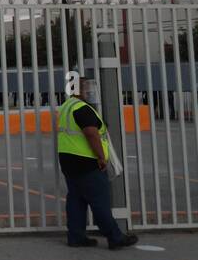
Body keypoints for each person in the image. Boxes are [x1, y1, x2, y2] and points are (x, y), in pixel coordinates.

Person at [57, 78, 138, 249]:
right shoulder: (82, 108)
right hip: (86, 161)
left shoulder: (66, 106)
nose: (90, 91)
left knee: (76, 199)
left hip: (68, 160)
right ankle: (114, 237)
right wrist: (101, 157)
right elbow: (91, 133)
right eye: (87, 88)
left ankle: (76, 236)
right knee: (99, 200)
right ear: (79, 90)